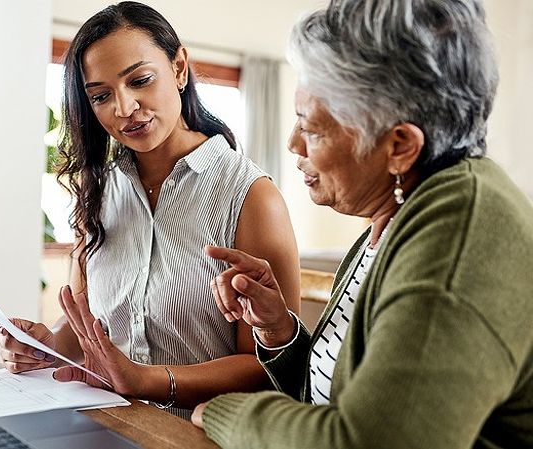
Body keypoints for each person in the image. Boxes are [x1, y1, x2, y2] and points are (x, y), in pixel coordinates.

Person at [190, 0, 533, 446]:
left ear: (399, 146)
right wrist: (279, 331)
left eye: (310, 127)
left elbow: (369, 440)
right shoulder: (390, 222)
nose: (294, 143)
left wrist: (225, 410)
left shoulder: (460, 235)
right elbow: (332, 399)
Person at [0, 1, 301, 419]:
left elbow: (270, 367)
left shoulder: (251, 197)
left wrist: (146, 379)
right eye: (101, 96)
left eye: (139, 80)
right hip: (103, 424)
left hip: (196, 434)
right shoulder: (99, 190)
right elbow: (86, 324)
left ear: (179, 68)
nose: (124, 108)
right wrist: (45, 347)